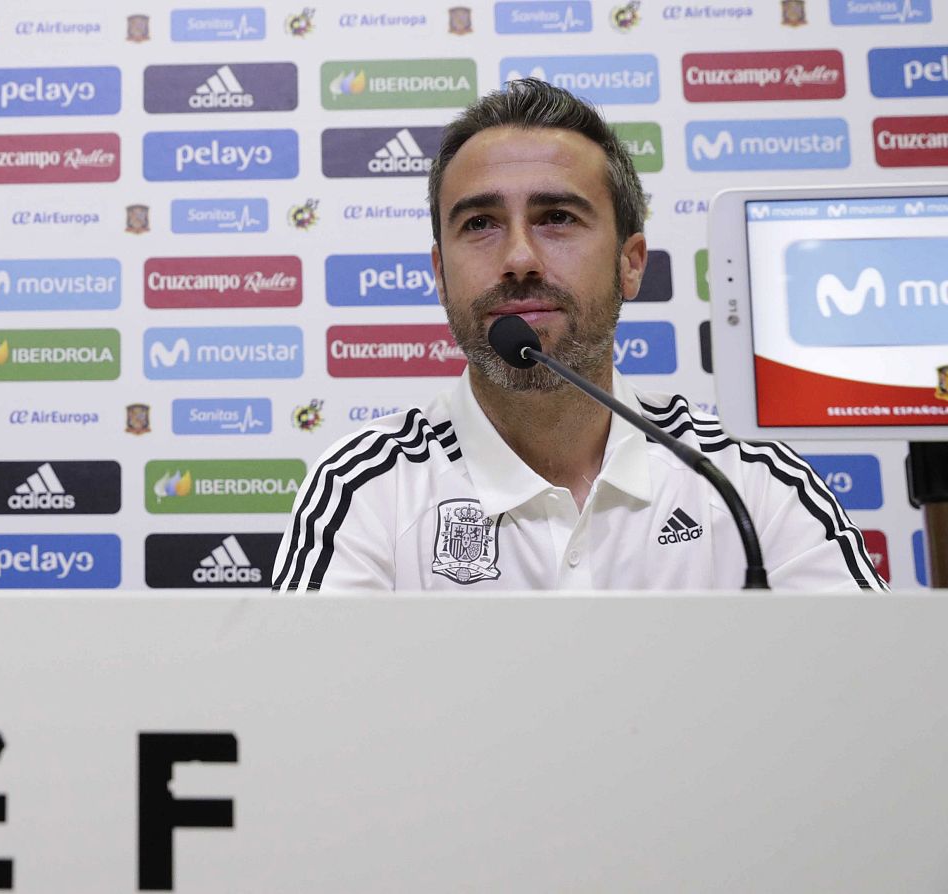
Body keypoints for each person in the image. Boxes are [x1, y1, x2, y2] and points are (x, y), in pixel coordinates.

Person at [273, 79, 884, 592]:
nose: (519, 259)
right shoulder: (366, 491)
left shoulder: (748, 483)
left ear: (632, 262)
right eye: (480, 223)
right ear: (439, 273)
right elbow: (306, 726)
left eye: (557, 218)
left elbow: (878, 704)